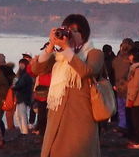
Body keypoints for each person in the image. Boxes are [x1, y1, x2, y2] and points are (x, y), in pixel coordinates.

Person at [31, 14, 103, 157]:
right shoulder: (59, 56)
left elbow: (86, 71)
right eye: (67, 30)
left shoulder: (94, 53)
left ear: (84, 35)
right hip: (57, 115)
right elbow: (37, 70)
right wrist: (51, 44)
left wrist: (66, 49)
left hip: (81, 117)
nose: (70, 34)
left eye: (75, 31)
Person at [123, 51, 139, 150]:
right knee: (138, 121)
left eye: (131, 55)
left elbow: (135, 87)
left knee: (136, 122)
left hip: (136, 100)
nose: (129, 57)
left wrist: (130, 100)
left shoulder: (138, 70)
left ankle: (138, 142)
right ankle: (136, 141)